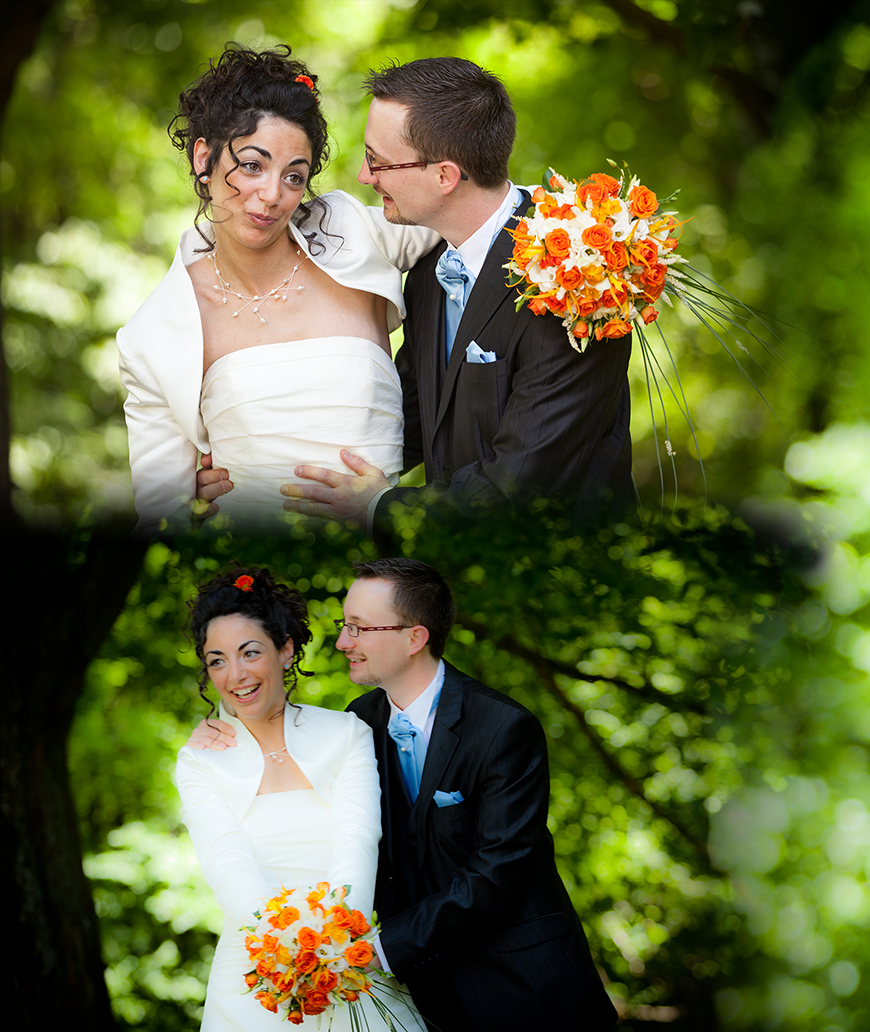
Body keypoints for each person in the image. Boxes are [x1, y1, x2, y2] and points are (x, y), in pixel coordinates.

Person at [189, 559, 617, 1032]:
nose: (342, 642)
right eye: (343, 625)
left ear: (414, 638)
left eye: (358, 628)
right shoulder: (362, 719)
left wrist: (373, 948)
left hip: (521, 984)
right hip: (418, 989)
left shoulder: (501, 728)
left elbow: (497, 871)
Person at [280, 57, 637, 527]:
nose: (367, 178)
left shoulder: (576, 283)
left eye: (378, 161)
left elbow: (518, 489)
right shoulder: (430, 269)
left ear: (445, 176)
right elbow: (402, 418)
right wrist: (253, 459)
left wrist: (377, 508)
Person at [119, 45, 440, 535]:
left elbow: (473, 217)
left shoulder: (352, 231)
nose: (272, 195)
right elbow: (162, 517)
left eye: (294, 176)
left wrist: (578, 248)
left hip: (387, 551)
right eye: (252, 165)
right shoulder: (152, 336)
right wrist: (192, 508)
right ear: (204, 157)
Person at [174, 567, 424, 1030]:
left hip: (349, 958)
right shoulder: (199, 761)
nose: (236, 675)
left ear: (285, 649)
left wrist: (333, 946)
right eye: (217, 660)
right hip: (256, 973)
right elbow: (225, 859)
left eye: (250, 653)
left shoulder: (346, 732)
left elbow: (358, 837)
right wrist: (283, 949)